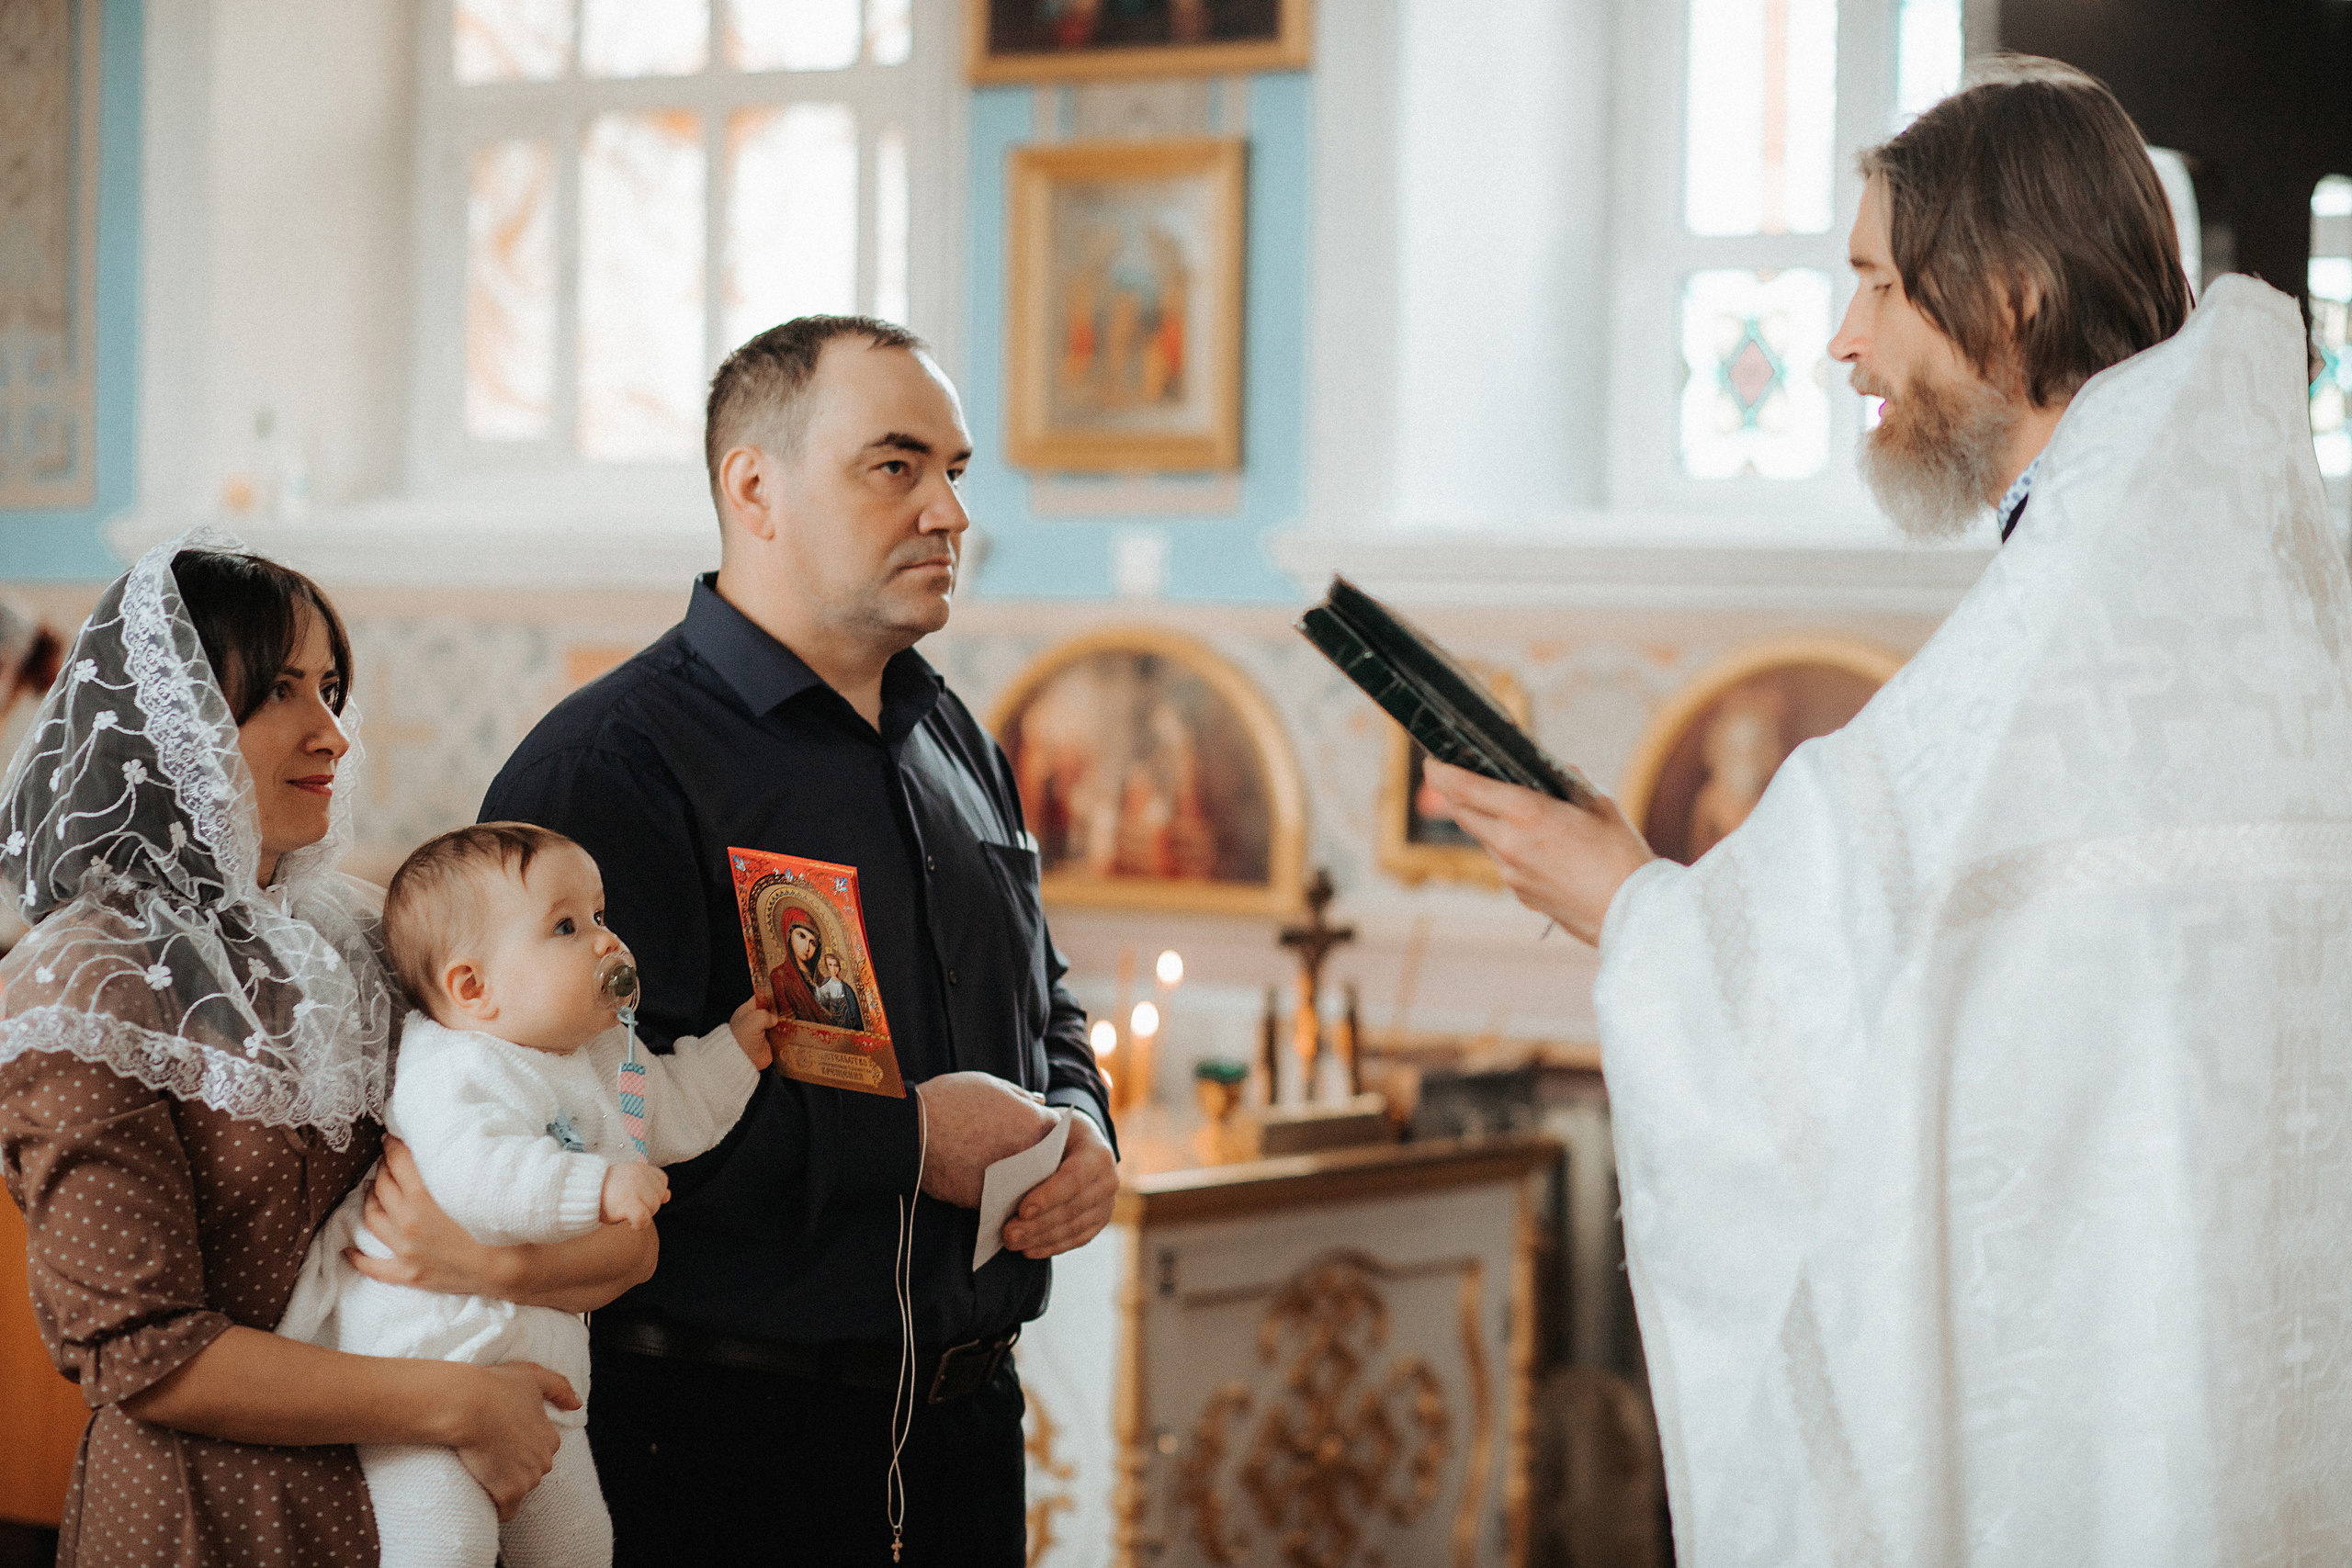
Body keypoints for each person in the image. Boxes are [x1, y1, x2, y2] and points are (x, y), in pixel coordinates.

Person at [1429, 61, 2352, 1563]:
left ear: (2010, 296)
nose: (1842, 343)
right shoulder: (2259, 608)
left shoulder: (2066, 635)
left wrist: (1630, 905)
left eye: (1873, 284)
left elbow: (1808, 1010)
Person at [481, 315, 1119, 1565]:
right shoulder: (613, 767)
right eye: (895, 465)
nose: (948, 510)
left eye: (957, 470)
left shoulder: (955, 738)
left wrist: (1082, 1116)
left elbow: (1040, 990)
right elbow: (567, 1112)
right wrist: (907, 1141)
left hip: (965, 1418)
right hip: (724, 1436)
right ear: (755, 486)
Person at [0, 535, 652, 1567]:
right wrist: (461, 1402)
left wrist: (492, 1262)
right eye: (281, 694)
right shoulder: (88, 985)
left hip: (421, 1499)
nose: (333, 734)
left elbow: (606, 1208)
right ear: (174, 727)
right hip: (206, 1520)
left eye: (334, 688)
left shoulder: (367, 943)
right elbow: (143, 1352)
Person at [275, 822, 777, 1568]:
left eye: (602, 917)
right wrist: (599, 1185)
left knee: (580, 1545)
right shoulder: (453, 1067)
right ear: (472, 987)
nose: (607, 942)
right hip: (425, 1373)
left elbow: (667, 1106)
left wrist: (736, 1054)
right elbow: (482, 1180)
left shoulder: (600, 1056)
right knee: (445, 1545)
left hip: (542, 1380)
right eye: (567, 926)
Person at [814, 952, 865, 1032]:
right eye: (830, 965)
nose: (833, 969)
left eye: (836, 965)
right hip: (833, 1019)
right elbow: (821, 1001)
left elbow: (853, 1009)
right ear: (827, 967)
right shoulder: (826, 983)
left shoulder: (847, 988)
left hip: (847, 1021)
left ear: (839, 967)